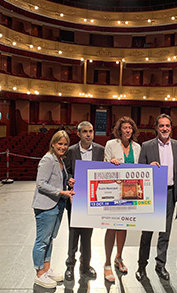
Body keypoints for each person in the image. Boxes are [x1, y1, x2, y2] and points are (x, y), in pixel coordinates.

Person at [135, 114, 177, 281]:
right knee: (147, 232)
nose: (165, 129)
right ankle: (142, 266)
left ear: (171, 128)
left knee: (165, 232)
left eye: (168, 126)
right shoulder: (147, 145)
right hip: (152, 194)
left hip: (170, 193)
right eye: (161, 126)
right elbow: (139, 169)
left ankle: (160, 265)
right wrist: (148, 168)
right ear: (156, 128)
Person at [32, 130, 75, 289]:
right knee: (42, 240)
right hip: (45, 206)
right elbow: (41, 184)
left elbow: (58, 181)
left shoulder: (60, 160)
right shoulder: (47, 159)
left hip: (57, 205)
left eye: (65, 144)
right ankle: (39, 272)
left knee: (50, 239)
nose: (63, 147)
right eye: (60, 144)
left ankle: (47, 268)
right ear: (53, 144)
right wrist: (61, 192)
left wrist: (68, 181)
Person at [63, 121, 104, 281]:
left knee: (87, 236)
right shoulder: (71, 151)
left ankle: (85, 266)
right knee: (73, 235)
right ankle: (70, 266)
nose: (88, 134)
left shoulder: (100, 150)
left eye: (91, 131)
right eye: (85, 132)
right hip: (76, 199)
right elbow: (66, 171)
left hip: (93, 200)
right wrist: (70, 179)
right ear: (78, 134)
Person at [103, 116, 141, 283]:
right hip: (113, 192)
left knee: (124, 226)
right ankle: (106, 263)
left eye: (130, 128)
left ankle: (119, 257)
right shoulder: (111, 144)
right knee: (111, 227)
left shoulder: (138, 147)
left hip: (130, 193)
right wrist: (111, 163)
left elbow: (141, 169)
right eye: (124, 128)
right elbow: (103, 168)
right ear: (119, 130)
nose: (127, 130)